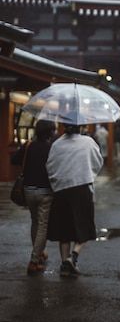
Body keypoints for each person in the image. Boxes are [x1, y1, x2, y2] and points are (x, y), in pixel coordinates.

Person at [46, 116, 104, 276]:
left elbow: (50, 165)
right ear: (80, 127)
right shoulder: (88, 143)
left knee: (64, 229)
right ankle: (73, 257)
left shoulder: (56, 144)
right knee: (84, 226)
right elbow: (98, 162)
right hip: (81, 188)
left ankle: (64, 262)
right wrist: (87, 172)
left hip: (62, 190)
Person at [11, 120, 56, 275]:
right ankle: (34, 260)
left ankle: (39, 252)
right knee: (43, 225)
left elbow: (14, 160)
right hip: (45, 191)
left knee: (35, 222)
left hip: (29, 190)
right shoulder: (52, 148)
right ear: (50, 132)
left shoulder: (28, 145)